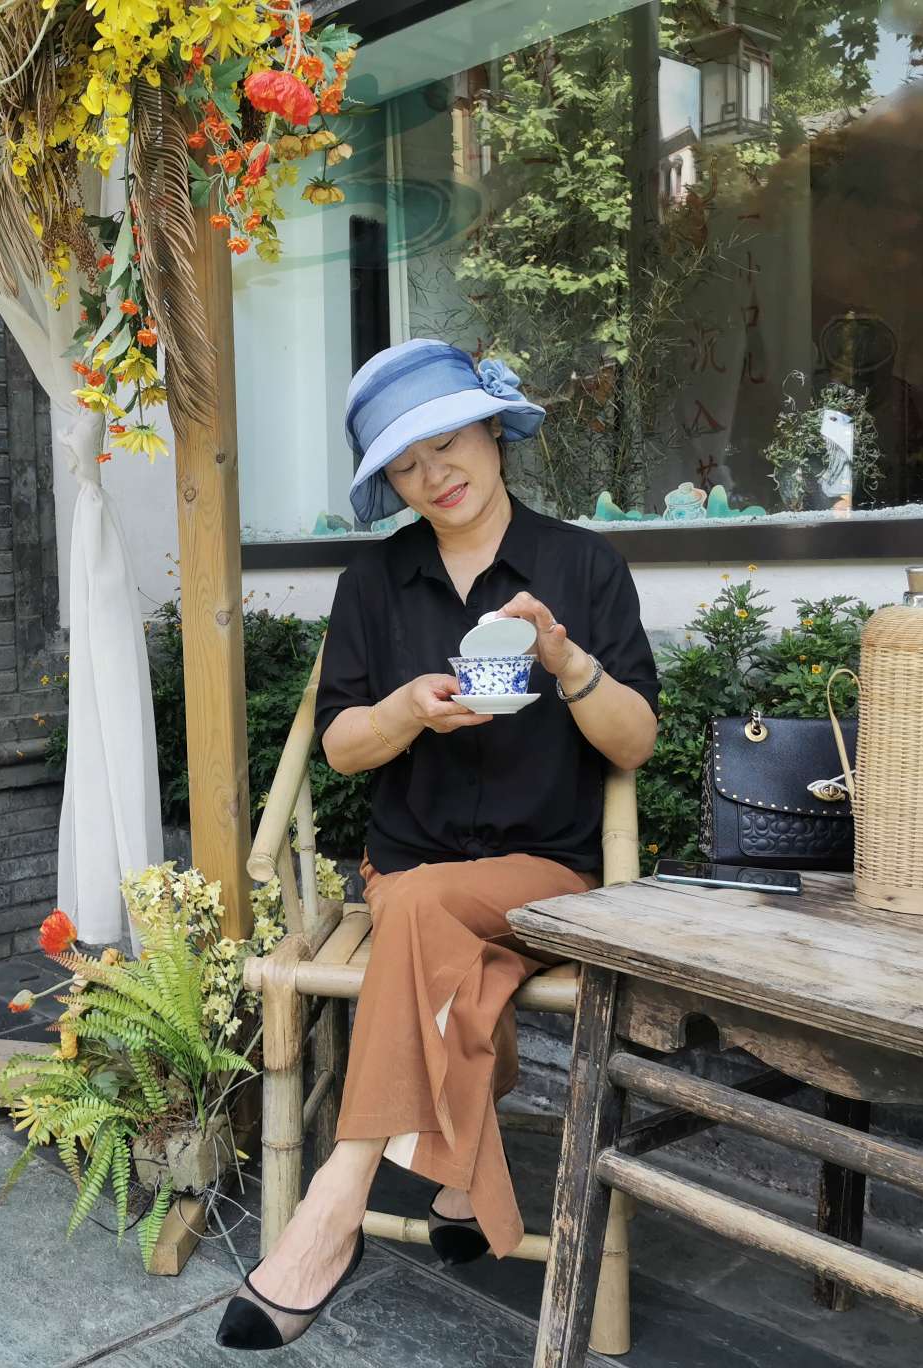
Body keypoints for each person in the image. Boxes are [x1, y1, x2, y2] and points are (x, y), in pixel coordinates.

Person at [216, 339, 659, 1351]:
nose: (434, 475)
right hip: (408, 865)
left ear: (494, 430)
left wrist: (567, 663)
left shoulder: (582, 567)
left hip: (545, 874)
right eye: (407, 465)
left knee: (418, 914)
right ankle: (462, 1183)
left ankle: (336, 1200)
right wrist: (407, 711)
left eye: (447, 444)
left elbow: (634, 743)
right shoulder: (375, 580)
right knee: (432, 921)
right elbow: (340, 747)